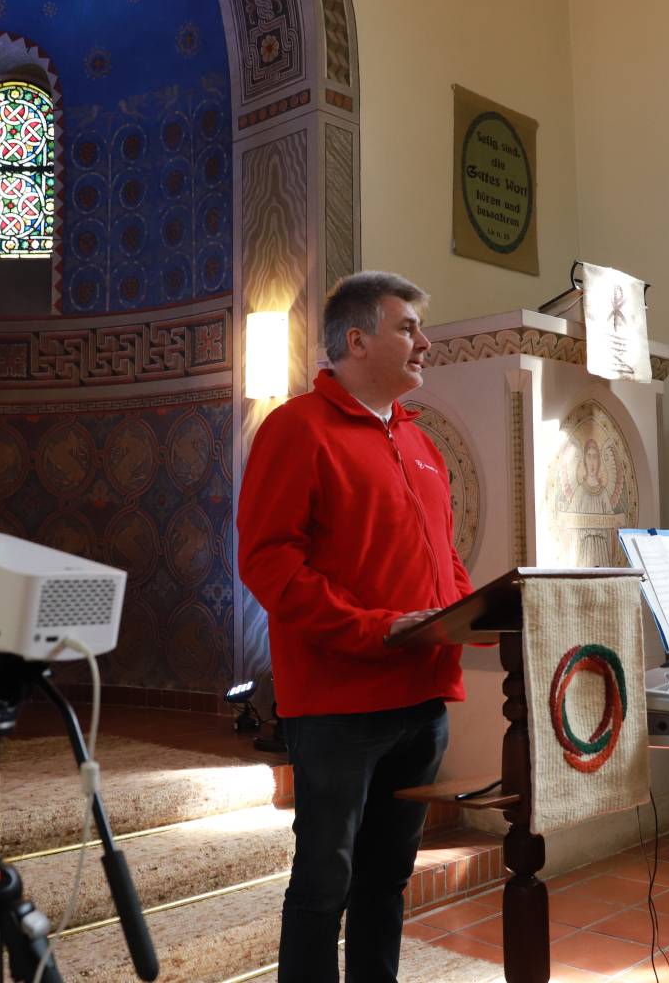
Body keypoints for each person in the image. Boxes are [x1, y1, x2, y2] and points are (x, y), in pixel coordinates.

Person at [237, 271, 473, 983]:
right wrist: (375, 629)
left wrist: (470, 614)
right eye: (408, 328)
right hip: (339, 703)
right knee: (324, 883)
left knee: (387, 879)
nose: (425, 343)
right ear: (357, 340)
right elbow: (269, 563)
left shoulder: (421, 441)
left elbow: (445, 557)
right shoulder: (296, 427)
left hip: (422, 698)